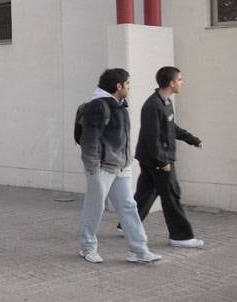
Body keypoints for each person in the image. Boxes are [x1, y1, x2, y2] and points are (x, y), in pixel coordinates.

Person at [78, 68, 161, 263]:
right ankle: (87, 248)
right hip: (102, 168)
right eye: (128, 84)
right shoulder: (97, 107)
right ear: (118, 86)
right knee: (94, 208)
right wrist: (93, 170)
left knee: (129, 206)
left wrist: (126, 162)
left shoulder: (120, 105)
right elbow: (88, 141)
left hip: (121, 166)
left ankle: (139, 250)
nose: (129, 87)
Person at [133, 66, 204, 248]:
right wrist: (162, 161)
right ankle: (180, 236)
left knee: (146, 194)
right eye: (179, 80)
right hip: (157, 159)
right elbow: (152, 136)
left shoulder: (165, 102)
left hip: (155, 158)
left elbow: (171, 127)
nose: (182, 83)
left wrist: (191, 139)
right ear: (171, 83)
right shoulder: (153, 105)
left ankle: (128, 225)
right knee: (171, 195)